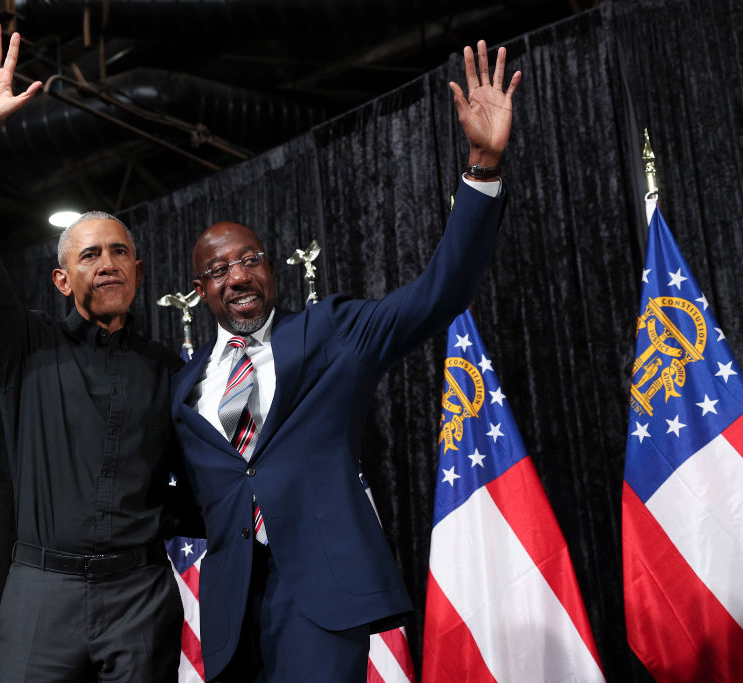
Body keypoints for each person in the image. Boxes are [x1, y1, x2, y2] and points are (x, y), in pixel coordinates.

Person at [170, 41, 520, 682]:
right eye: (219, 270)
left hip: (321, 596)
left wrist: (483, 166)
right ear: (201, 292)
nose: (238, 276)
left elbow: (440, 291)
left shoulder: (332, 332)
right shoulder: (184, 390)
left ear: (270, 269)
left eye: (249, 259)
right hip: (230, 611)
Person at [0, 23, 192, 682]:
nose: (107, 263)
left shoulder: (171, 372)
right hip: (40, 593)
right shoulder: (24, 345)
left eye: (119, 252)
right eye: (89, 254)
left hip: (140, 596)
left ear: (138, 271)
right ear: (63, 279)